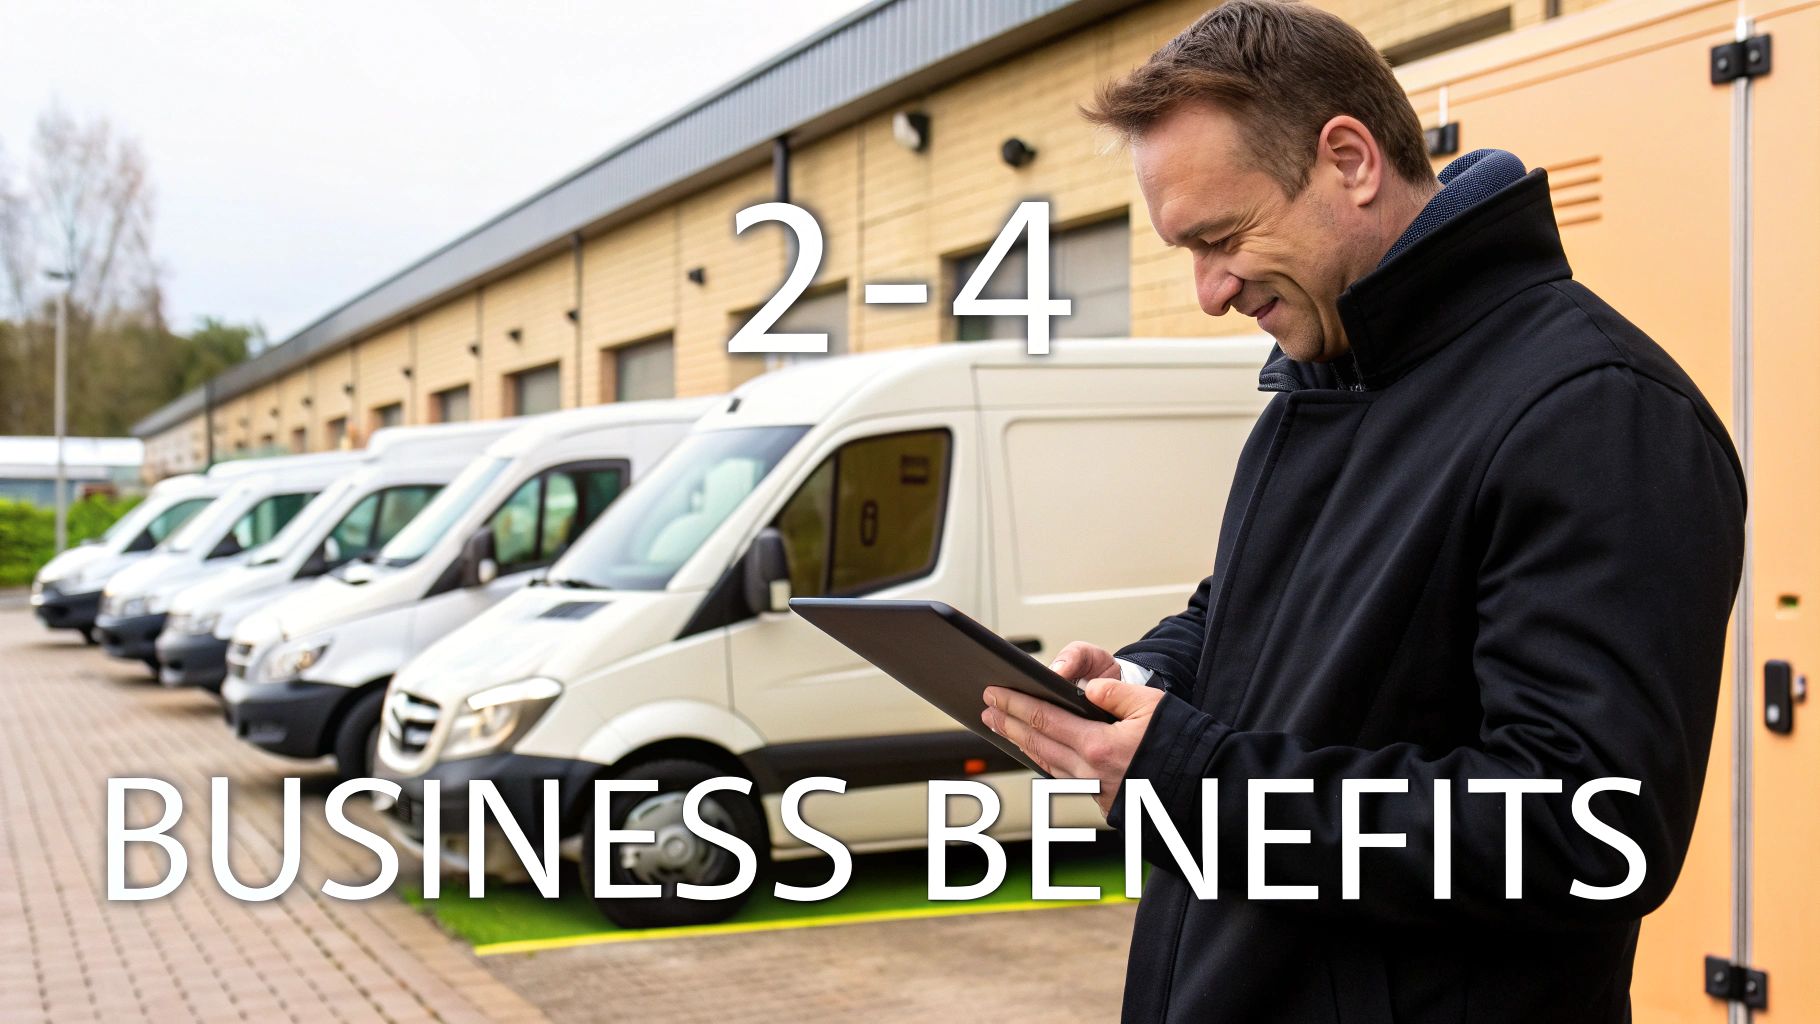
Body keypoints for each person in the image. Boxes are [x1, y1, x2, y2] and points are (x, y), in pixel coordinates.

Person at [976, 2, 1746, 1021]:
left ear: (1349, 159)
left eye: (1221, 237)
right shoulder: (1327, 378)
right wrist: (1141, 680)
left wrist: (1195, 779)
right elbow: (1245, 615)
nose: (1208, 291)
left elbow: (1585, 831)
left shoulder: (1595, 412)